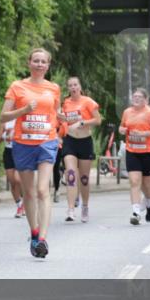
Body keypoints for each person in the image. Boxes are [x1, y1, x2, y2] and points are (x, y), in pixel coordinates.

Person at [0, 49, 61, 259]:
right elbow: (3, 116)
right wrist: (23, 111)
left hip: (46, 142)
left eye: (43, 62)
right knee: (29, 192)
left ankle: (42, 239)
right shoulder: (17, 87)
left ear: (48, 66)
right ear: (29, 63)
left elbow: (56, 114)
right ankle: (34, 232)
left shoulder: (53, 88)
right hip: (23, 144)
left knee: (43, 189)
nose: (39, 64)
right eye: (36, 61)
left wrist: (64, 119)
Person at [59, 77, 101, 223]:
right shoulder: (65, 103)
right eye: (70, 85)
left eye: (75, 84)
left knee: (83, 179)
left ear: (80, 86)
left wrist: (82, 122)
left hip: (85, 142)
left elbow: (98, 120)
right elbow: (64, 121)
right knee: (70, 174)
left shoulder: (88, 102)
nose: (73, 87)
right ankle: (70, 210)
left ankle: (84, 206)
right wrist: (61, 119)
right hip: (70, 141)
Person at [119, 88, 150, 224]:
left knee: (146, 183)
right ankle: (136, 212)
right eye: (134, 96)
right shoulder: (127, 112)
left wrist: (143, 135)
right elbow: (121, 127)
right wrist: (122, 130)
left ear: (145, 99)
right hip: (132, 150)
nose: (136, 99)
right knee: (134, 181)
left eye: (139, 97)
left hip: (147, 151)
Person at [0, 119, 24, 217]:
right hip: (8, 152)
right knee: (12, 181)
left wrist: (15, 135)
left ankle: (25, 203)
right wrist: (5, 135)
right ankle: (19, 205)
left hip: (20, 151)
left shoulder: (22, 118)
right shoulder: (5, 121)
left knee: (18, 179)